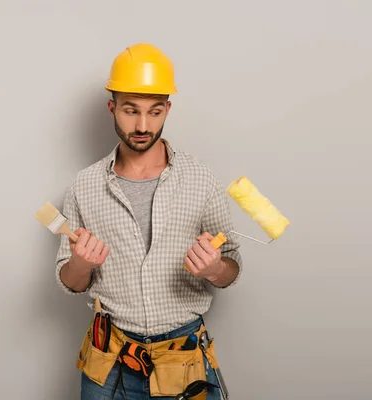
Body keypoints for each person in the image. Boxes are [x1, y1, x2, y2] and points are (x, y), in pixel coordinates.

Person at [54, 43, 242, 400]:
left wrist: (215, 268)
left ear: (167, 109)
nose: (143, 125)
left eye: (155, 112)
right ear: (112, 108)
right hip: (109, 361)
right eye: (130, 111)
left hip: (183, 360)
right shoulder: (84, 185)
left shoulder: (201, 179)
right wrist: (80, 265)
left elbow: (232, 268)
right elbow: (69, 280)